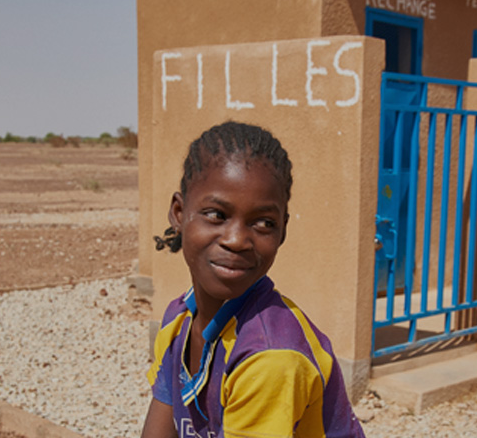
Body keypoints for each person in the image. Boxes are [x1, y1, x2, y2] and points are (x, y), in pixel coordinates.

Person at [142, 121, 365, 438]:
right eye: (217, 215)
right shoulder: (177, 321)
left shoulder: (271, 357)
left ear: (282, 231)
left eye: (263, 222)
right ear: (179, 213)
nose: (236, 240)